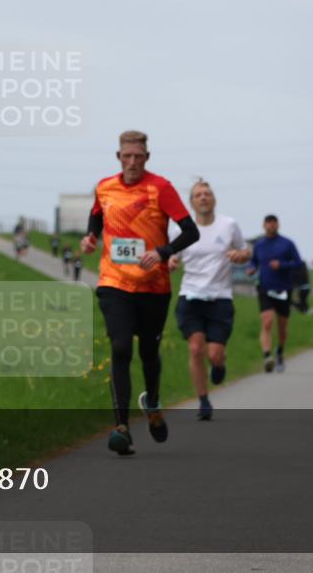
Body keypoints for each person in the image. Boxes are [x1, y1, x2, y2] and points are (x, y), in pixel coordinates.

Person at [80, 130, 199, 455]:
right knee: (120, 348)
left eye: (138, 157)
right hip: (114, 282)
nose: (132, 162)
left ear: (147, 158)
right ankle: (121, 427)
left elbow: (191, 232)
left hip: (153, 286)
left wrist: (162, 252)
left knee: (148, 352)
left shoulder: (161, 188)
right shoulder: (105, 187)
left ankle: (153, 402)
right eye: (127, 156)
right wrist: (91, 237)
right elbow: (96, 217)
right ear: (118, 157)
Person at [167, 180, 250, 421]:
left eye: (207, 194)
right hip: (190, 296)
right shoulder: (180, 230)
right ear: (192, 203)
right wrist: (171, 260)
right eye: (198, 195)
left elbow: (246, 252)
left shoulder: (229, 225)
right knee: (195, 348)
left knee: (214, 354)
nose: (203, 197)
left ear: (214, 199)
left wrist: (239, 255)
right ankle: (203, 401)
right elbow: (170, 255)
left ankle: (219, 364)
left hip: (219, 298)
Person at [247, 215, 303, 373]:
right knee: (267, 321)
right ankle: (267, 356)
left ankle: (280, 351)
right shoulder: (259, 245)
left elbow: (298, 263)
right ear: (264, 225)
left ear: (278, 225)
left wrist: (282, 264)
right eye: (269, 223)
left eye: (274, 223)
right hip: (265, 287)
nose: (271, 226)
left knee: (282, 326)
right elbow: (254, 261)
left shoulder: (287, 243)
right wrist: (252, 268)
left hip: (284, 288)